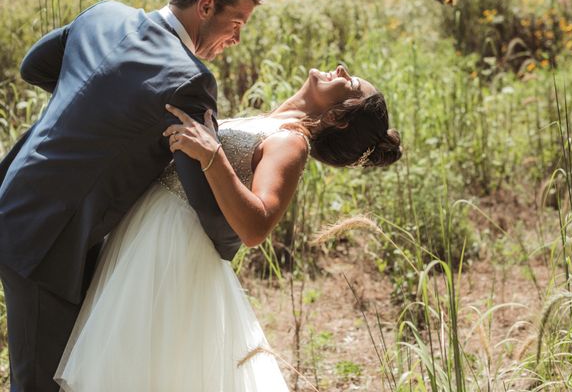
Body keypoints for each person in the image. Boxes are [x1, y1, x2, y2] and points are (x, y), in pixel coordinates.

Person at [0, 0, 263, 391]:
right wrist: (238, 234)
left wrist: (98, 108)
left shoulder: (105, 14)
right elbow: (206, 205)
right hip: (46, 237)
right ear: (205, 6)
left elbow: (35, 65)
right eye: (237, 22)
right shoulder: (190, 81)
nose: (237, 38)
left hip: (30, 206)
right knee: (39, 383)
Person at [54, 64, 402, 391]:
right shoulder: (273, 122)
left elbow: (256, 227)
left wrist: (212, 156)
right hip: (146, 230)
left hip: (173, 246)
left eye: (351, 83)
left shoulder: (291, 142)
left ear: (338, 119)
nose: (342, 70)